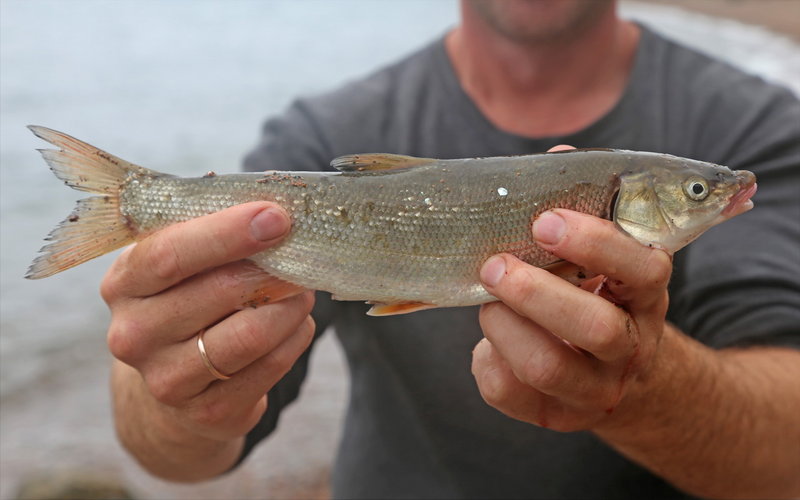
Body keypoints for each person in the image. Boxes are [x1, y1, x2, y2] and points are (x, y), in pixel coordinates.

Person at [104, 1, 800, 498]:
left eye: (697, 195)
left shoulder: (760, 125)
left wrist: (647, 388)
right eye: (698, 194)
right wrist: (172, 393)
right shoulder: (321, 131)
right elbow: (181, 459)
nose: (710, 196)